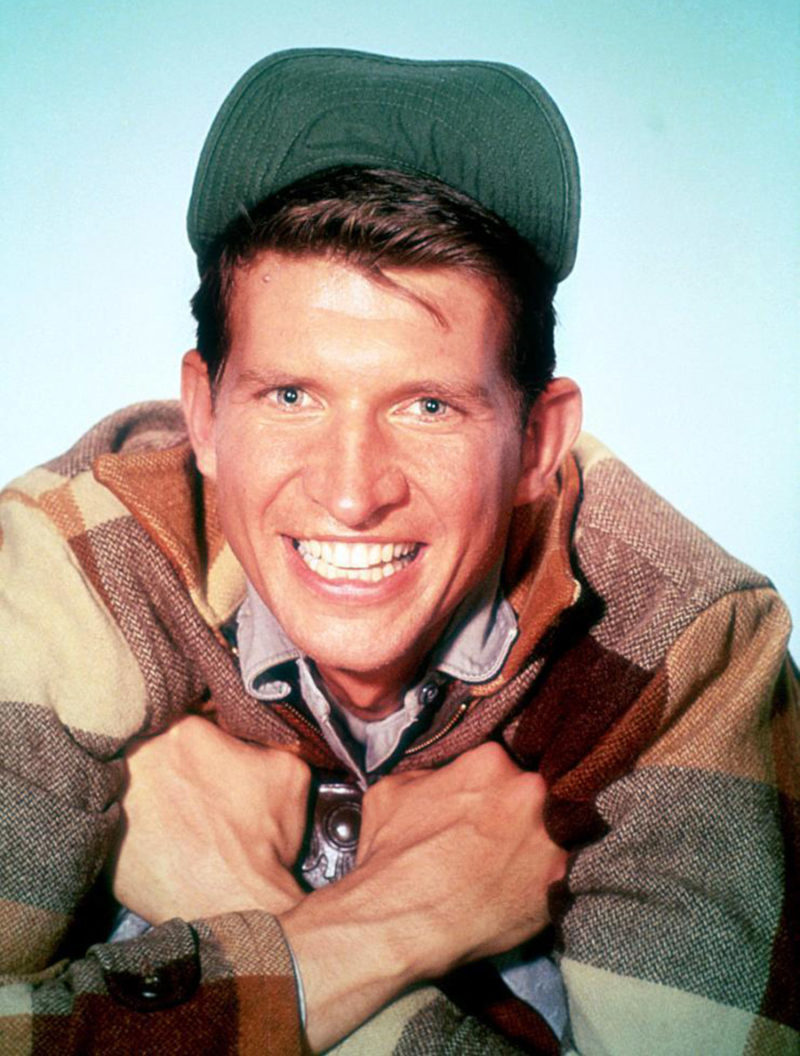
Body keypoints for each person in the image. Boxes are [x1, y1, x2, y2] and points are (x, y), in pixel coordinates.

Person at [0, 48, 796, 1056]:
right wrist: (382, 932)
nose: (350, 492)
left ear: (537, 444)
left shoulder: (685, 643)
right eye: (291, 396)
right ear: (202, 413)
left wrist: (238, 910)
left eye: (427, 407)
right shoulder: (83, 563)